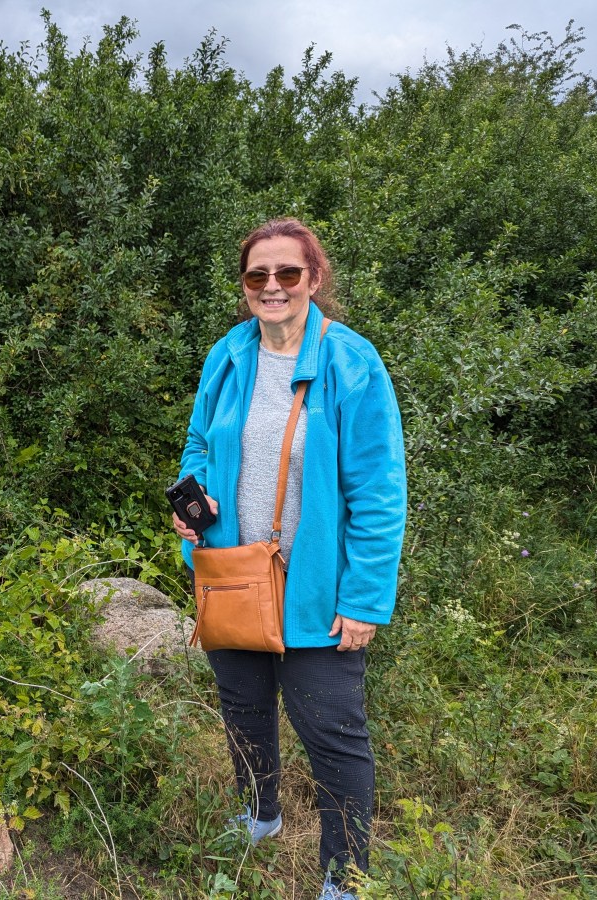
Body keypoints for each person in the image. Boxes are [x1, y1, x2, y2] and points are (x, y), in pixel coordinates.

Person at [172, 217, 407, 900]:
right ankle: (260, 815)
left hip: (314, 592)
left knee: (334, 737)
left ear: (315, 279)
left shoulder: (352, 363)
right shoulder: (229, 353)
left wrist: (364, 599)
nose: (271, 286)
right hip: (232, 576)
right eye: (257, 275)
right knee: (243, 709)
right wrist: (193, 503)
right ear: (244, 285)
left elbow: (379, 492)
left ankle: (343, 877)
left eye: (287, 274)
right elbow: (198, 444)